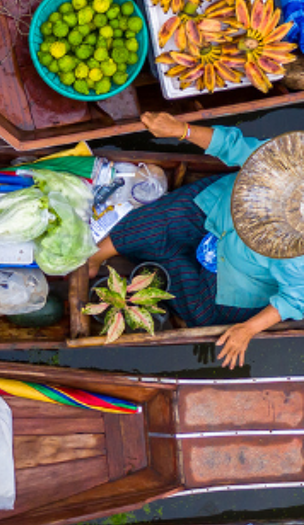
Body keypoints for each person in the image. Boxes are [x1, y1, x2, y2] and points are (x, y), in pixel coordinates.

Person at [84, 114, 304, 368]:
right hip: (215, 208)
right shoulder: (289, 162)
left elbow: (296, 298)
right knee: (163, 219)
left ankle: (159, 260)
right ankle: (98, 255)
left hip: (236, 279)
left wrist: (248, 329)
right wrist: (181, 130)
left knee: (202, 315)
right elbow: (234, 145)